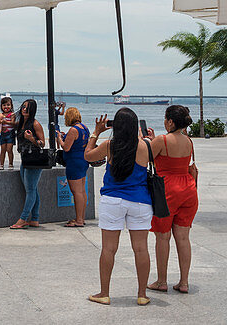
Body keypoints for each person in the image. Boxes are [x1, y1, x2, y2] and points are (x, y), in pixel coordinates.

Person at [84, 109, 153, 306]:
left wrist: (96, 132)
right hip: (140, 201)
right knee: (141, 249)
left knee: (108, 249)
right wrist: (143, 137)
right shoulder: (145, 146)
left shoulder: (109, 146)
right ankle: (142, 294)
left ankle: (104, 293)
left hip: (113, 201)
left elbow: (88, 156)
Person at [147, 105, 198, 295]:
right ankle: (184, 282)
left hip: (167, 191)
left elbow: (144, 157)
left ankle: (161, 281)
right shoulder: (189, 141)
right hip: (188, 189)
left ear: (170, 121)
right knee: (183, 238)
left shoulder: (162, 140)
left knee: (163, 236)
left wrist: (145, 141)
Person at [9, 98, 46, 229]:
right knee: (33, 190)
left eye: (27, 107)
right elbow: (10, 121)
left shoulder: (35, 124)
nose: (24, 109)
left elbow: (42, 143)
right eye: (23, 106)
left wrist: (32, 138)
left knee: (30, 190)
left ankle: (23, 219)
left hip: (34, 160)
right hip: (25, 159)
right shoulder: (21, 123)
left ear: (33, 109)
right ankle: (35, 219)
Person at [57, 106, 89, 227]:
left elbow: (66, 147)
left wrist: (60, 138)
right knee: (82, 191)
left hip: (74, 163)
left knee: (76, 192)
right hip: (83, 160)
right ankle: (82, 217)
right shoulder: (84, 128)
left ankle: (79, 220)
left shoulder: (73, 130)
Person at [0, 97, 16, 169]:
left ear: (11, 106)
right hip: (3, 134)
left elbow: (13, 123)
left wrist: (5, 121)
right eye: (4, 105)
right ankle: (1, 164)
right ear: (1, 106)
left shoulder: (12, 114)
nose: (6, 107)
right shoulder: (1, 115)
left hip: (10, 133)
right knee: (3, 150)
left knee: (9, 149)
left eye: (8, 105)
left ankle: (10, 164)